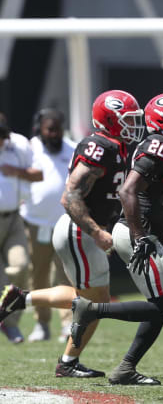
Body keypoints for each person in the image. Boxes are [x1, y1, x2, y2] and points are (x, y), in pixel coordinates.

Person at [0, 90, 144, 376]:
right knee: (95, 301)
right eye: (128, 119)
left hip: (85, 230)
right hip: (80, 230)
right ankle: (65, 359)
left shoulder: (118, 146)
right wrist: (96, 231)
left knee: (94, 298)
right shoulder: (100, 146)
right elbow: (70, 196)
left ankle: (23, 302)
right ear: (110, 120)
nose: (134, 125)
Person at [71, 93, 163, 385]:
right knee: (161, 306)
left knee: (161, 305)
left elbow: (152, 200)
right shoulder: (161, 145)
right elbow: (128, 191)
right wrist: (142, 236)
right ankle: (90, 311)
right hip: (133, 231)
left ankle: (126, 367)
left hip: (140, 230)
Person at [20, 108, 76, 342]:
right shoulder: (29, 148)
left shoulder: (73, 147)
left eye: (57, 129)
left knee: (66, 274)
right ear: (39, 129)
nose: (53, 134)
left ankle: (67, 325)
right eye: (49, 129)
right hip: (36, 222)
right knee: (39, 275)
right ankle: (42, 324)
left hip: (65, 222)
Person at [0, 112, 41, 343]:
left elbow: (38, 174)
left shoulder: (19, 144)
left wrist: (16, 172)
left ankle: (10, 323)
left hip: (13, 217)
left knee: (21, 267)